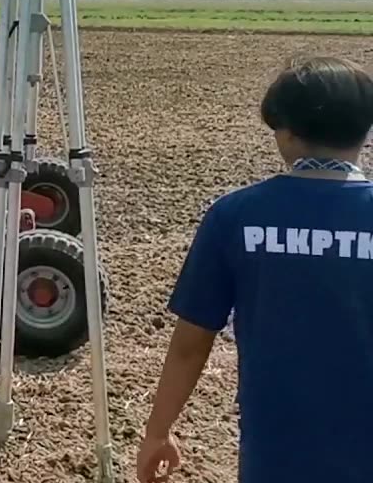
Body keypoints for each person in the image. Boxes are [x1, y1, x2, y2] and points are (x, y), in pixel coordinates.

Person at [136, 55, 373, 483]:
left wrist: (158, 431)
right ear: (364, 130)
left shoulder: (235, 216)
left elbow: (191, 343)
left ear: (284, 132)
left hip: (276, 447)